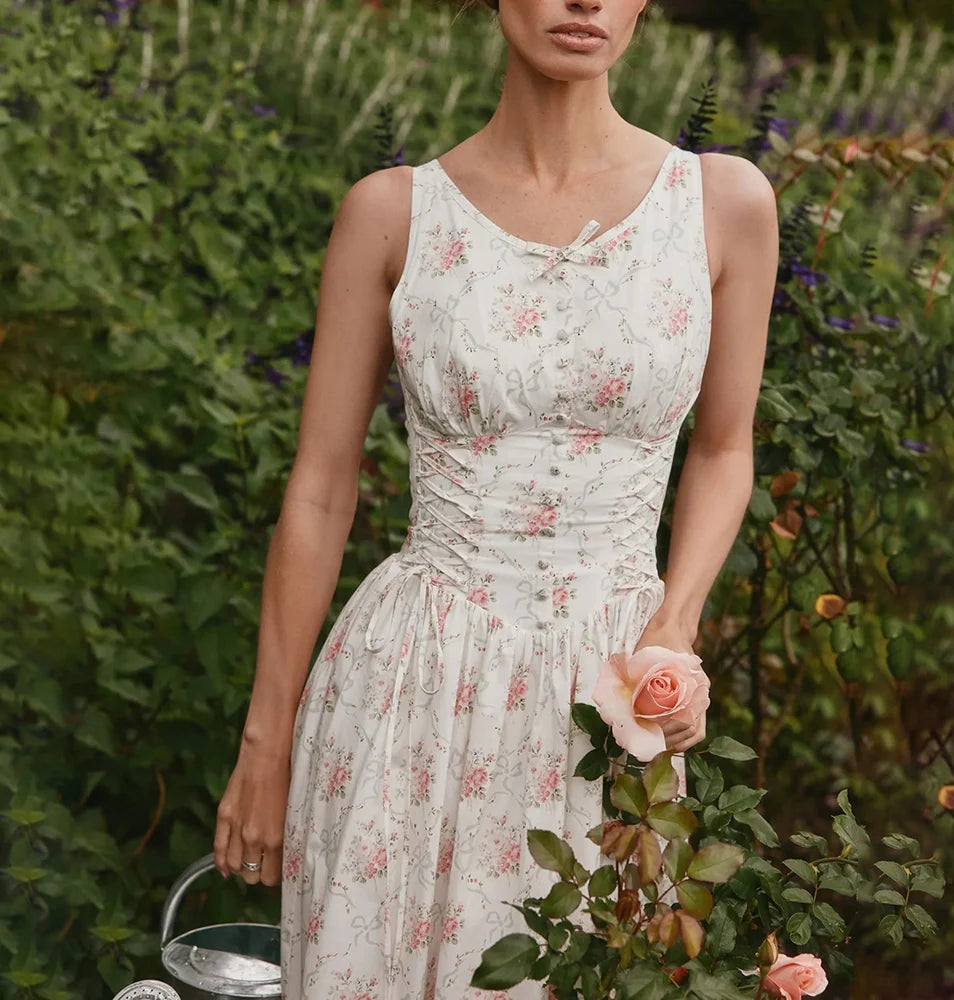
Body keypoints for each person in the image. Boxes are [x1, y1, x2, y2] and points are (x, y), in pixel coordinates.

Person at [212, 0, 778, 995]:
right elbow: (320, 490)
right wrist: (266, 739)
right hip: (408, 690)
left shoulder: (721, 203)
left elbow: (725, 448)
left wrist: (673, 628)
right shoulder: (391, 213)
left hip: (610, 700)